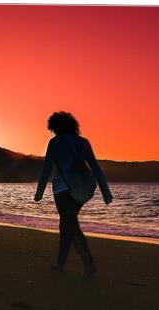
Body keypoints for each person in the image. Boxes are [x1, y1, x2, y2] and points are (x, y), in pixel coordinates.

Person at [34, 111, 113, 277]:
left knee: (70, 225)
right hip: (82, 189)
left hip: (63, 190)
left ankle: (89, 263)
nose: (53, 132)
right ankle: (60, 264)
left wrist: (39, 192)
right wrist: (106, 193)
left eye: (53, 129)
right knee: (66, 225)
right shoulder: (83, 142)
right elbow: (95, 167)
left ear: (56, 127)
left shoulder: (55, 143)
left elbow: (47, 168)